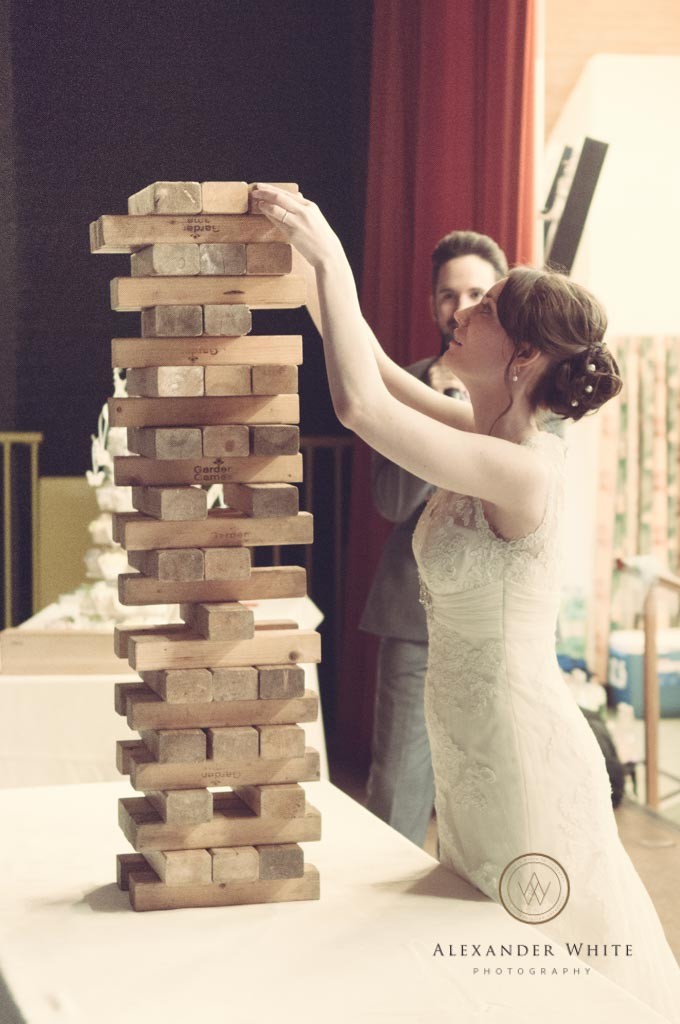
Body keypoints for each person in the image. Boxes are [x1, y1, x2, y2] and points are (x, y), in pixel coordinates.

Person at [253, 184, 680, 1020]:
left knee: (530, 957)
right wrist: (303, 273)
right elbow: (371, 364)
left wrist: (336, 249)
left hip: (518, 749)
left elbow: (358, 406)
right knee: (487, 947)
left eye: (484, 306)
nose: (464, 312)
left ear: (520, 357)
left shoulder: (525, 467)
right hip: (473, 742)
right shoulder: (473, 428)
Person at [360, 230, 508, 846]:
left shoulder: (525, 391)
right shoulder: (405, 385)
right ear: (432, 305)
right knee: (397, 787)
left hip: (492, 621)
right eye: (449, 295)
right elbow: (392, 502)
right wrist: (441, 400)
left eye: (477, 292)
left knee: (490, 789)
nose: (461, 307)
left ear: (498, 299)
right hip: (410, 616)